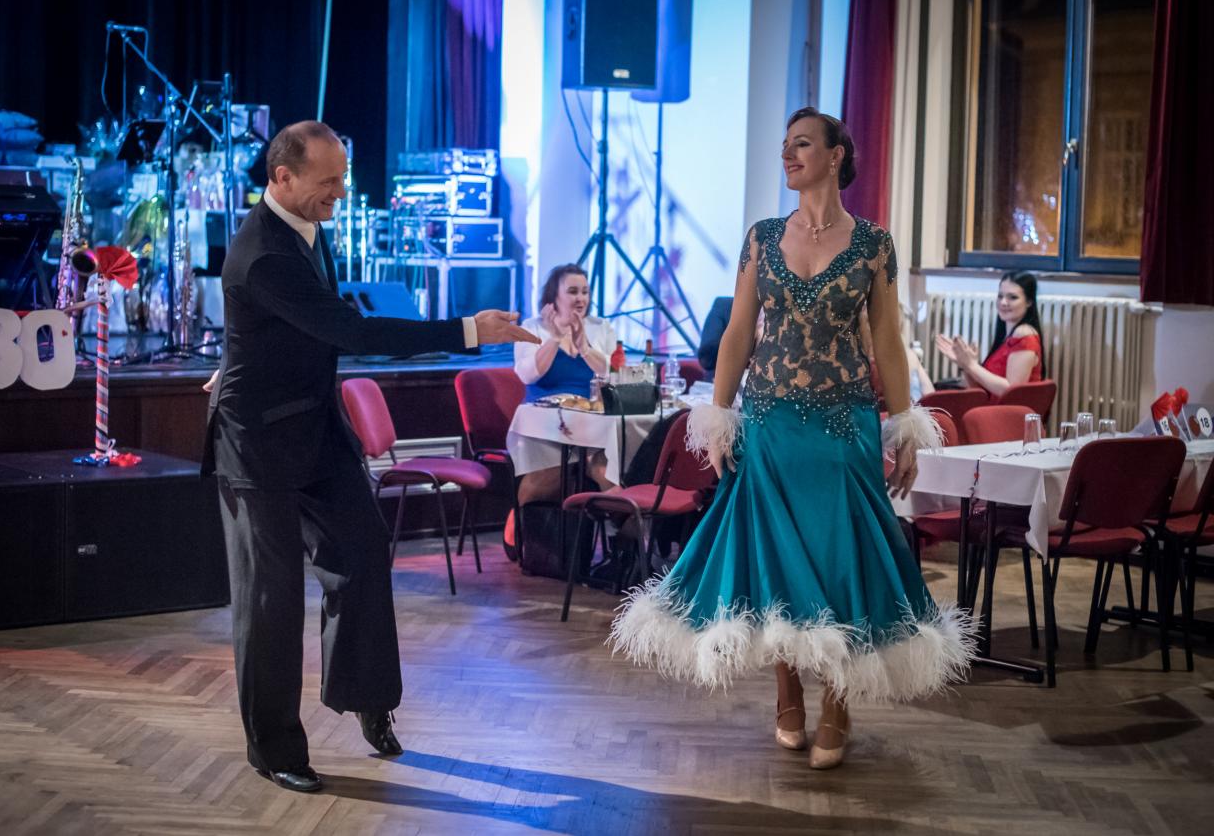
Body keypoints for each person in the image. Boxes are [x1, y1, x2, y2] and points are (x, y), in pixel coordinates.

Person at [609, 107, 974, 770]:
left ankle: (839, 697)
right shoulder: (762, 238)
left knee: (839, 561)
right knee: (776, 559)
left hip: (842, 428)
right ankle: (786, 689)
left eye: (801, 144)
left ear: (836, 156)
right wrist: (720, 417)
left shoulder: (874, 244)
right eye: (785, 146)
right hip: (771, 425)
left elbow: (888, 343)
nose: (788, 155)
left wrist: (904, 427)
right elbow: (737, 334)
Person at [201, 121, 537, 793]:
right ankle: (274, 748)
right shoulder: (263, 253)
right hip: (256, 442)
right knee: (270, 600)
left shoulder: (307, 225)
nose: (341, 192)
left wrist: (240, 353)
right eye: (328, 181)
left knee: (361, 551)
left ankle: (367, 696)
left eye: (343, 179)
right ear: (282, 177)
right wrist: (468, 329)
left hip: (314, 425)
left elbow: (288, 329)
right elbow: (349, 330)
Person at [511, 264, 618, 507]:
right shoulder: (532, 327)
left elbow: (612, 374)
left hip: (591, 424)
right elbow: (527, 375)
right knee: (549, 472)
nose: (581, 298)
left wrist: (585, 348)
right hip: (544, 425)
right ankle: (520, 522)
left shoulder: (600, 327)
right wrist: (555, 338)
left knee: (606, 470)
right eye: (572, 292)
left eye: (585, 292)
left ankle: (621, 528)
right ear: (554, 296)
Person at [935, 271, 1043, 398]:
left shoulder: (1024, 333)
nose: (1003, 302)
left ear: (1029, 302)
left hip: (1008, 410)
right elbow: (980, 392)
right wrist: (964, 365)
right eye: (1000, 296)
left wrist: (971, 365)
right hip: (990, 408)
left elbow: (1011, 392)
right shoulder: (1008, 336)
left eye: (1012, 297)